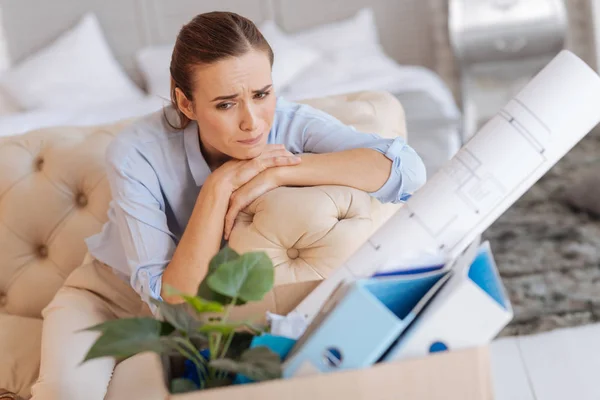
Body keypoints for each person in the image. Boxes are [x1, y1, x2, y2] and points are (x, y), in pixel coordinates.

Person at [30, 11, 426, 400]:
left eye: (261, 94)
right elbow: (169, 303)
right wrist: (218, 187)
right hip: (107, 299)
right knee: (65, 392)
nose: (252, 122)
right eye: (225, 104)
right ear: (186, 104)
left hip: (196, 322)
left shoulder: (290, 123)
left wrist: (279, 172)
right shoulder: (136, 152)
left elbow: (408, 170)